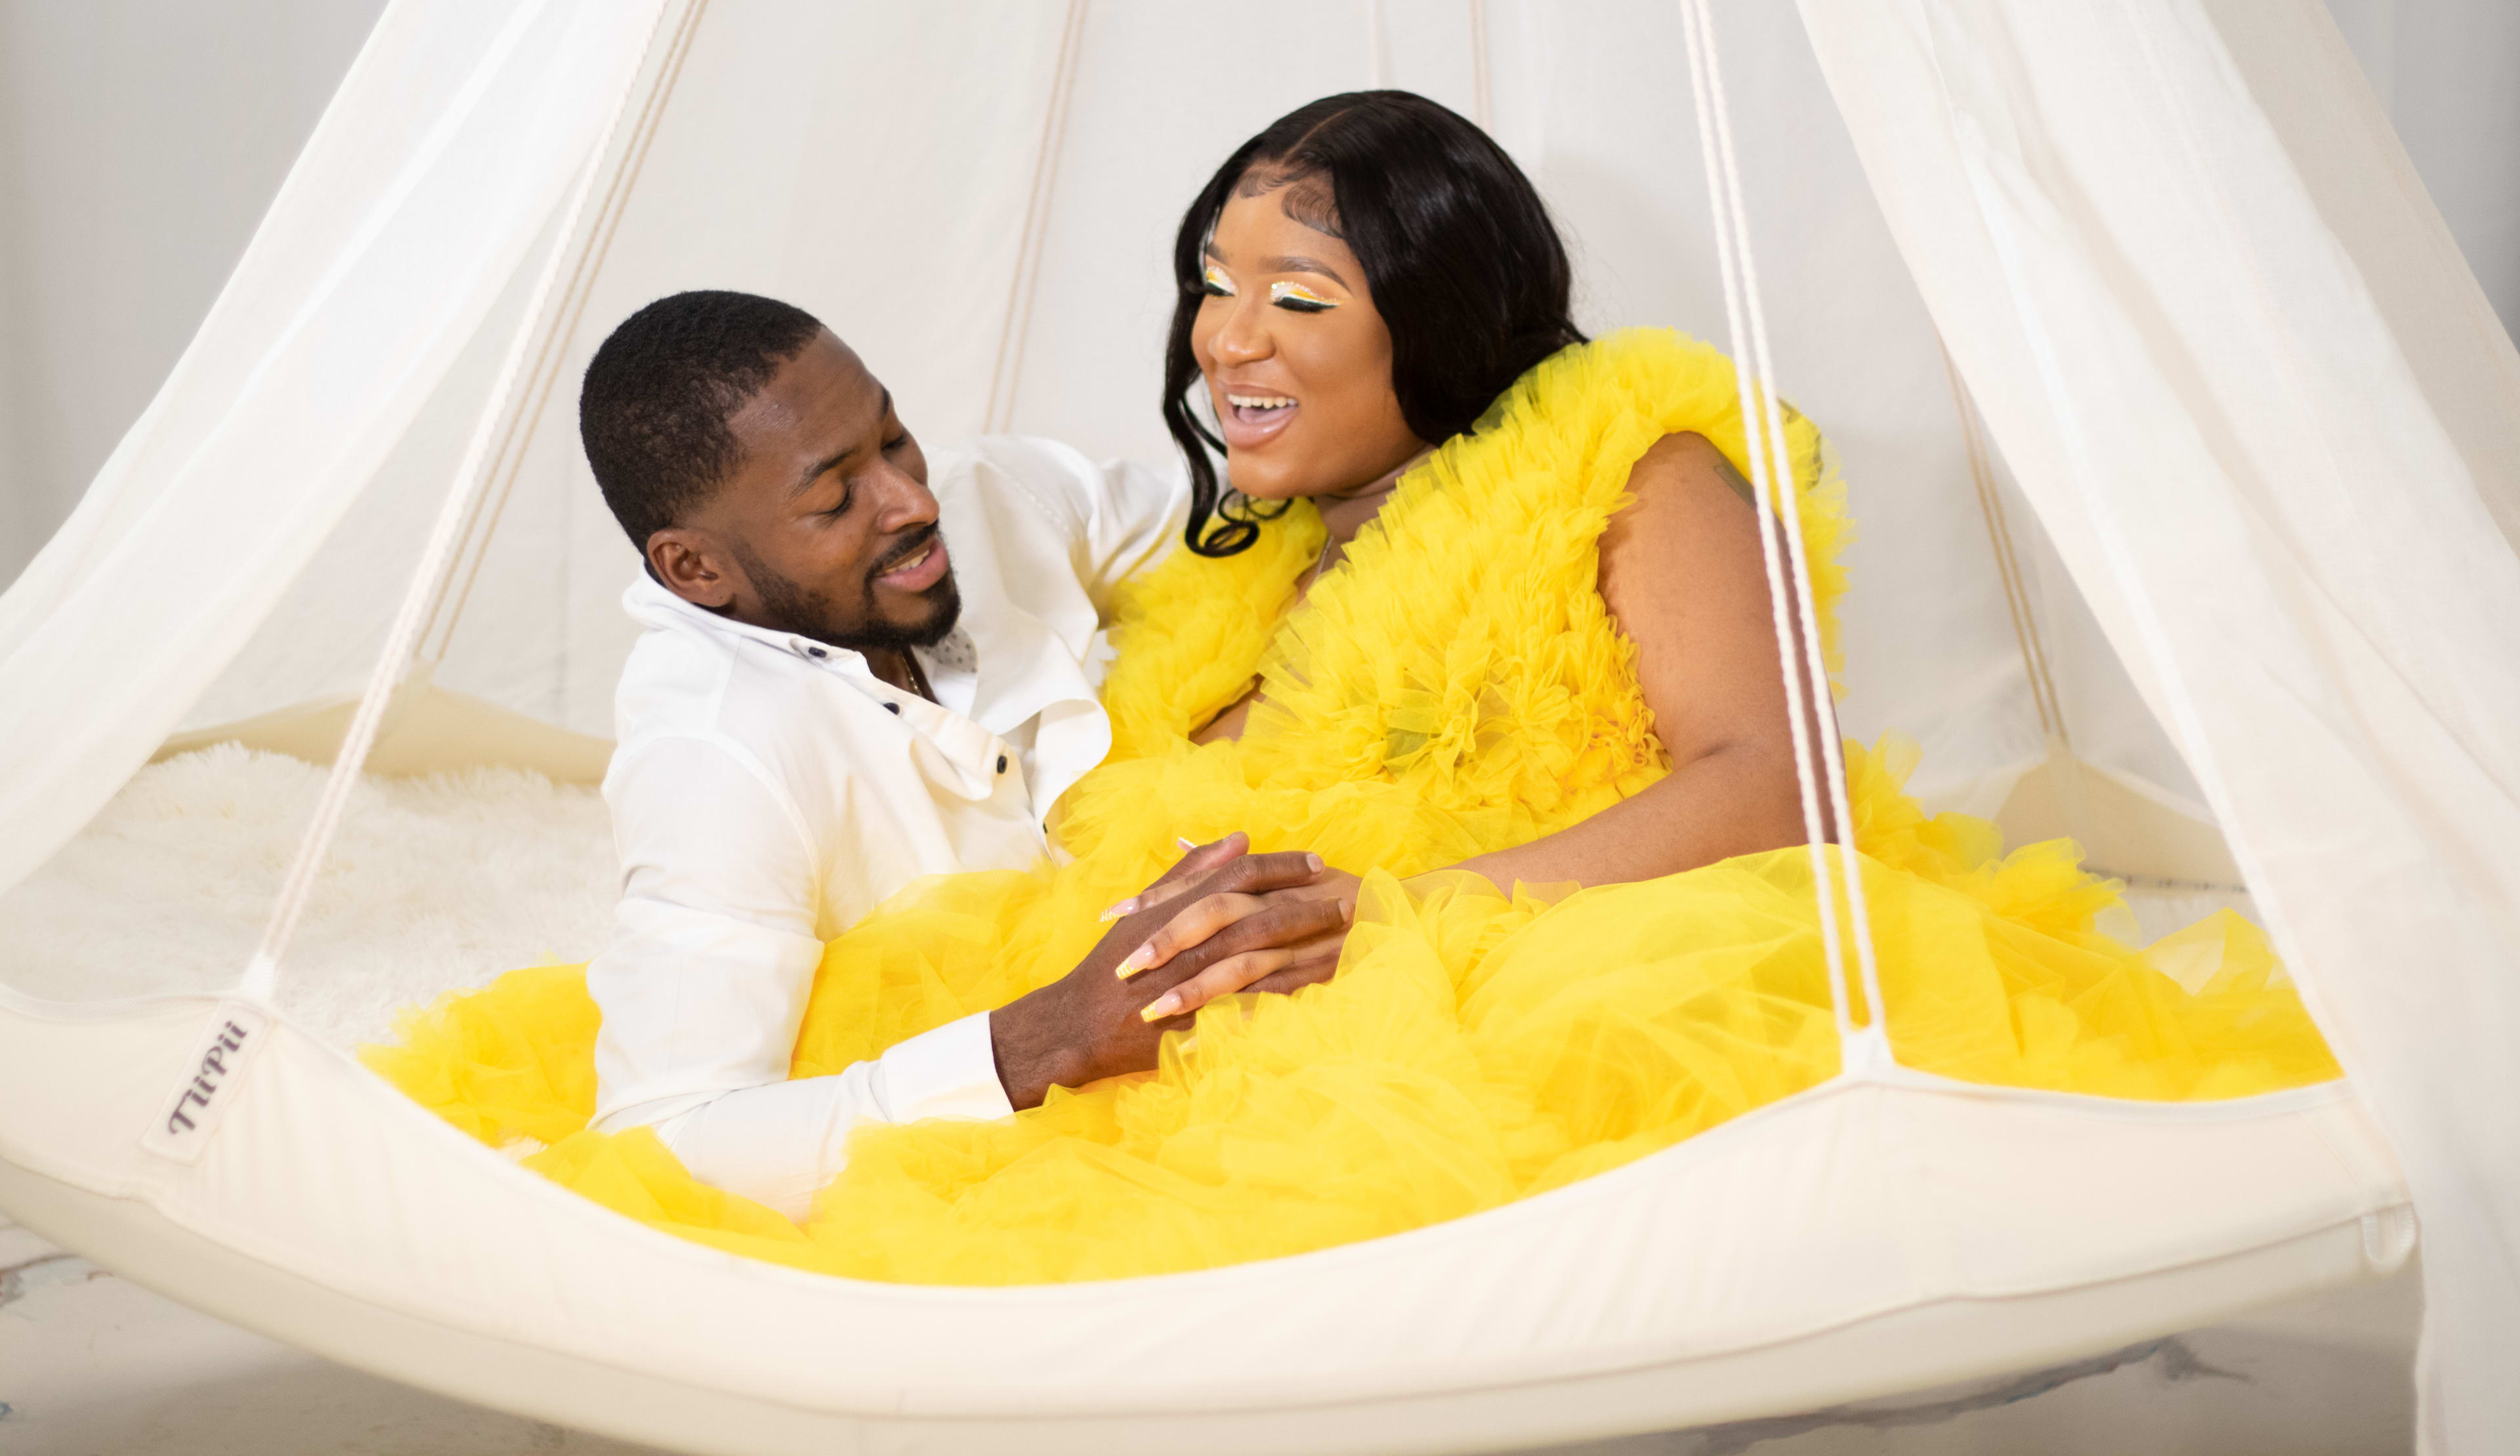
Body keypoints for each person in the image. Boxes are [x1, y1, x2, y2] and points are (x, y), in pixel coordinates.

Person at [378, 93, 2337, 1279]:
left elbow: (1778, 782)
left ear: (1445, 309)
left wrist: (1405, 917)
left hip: (1556, 964)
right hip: (1203, 992)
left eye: (1296, 297)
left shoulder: (1623, 459)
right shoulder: (1242, 541)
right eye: (1212, 280)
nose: (1226, 336)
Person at [528, 290, 1353, 1221]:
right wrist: (1049, 1041)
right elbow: (659, 1146)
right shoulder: (714, 762)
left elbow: (1249, 537)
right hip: (991, 1187)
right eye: (836, 498)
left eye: (892, 437)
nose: (913, 502)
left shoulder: (988, 498)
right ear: (697, 570)